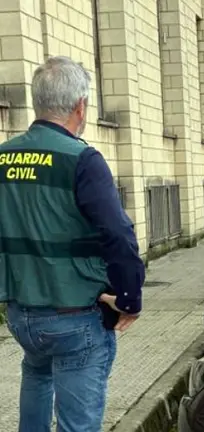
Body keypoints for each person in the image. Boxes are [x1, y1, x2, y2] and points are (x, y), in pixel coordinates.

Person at [0, 56, 146, 432]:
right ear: (80, 106)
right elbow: (118, 233)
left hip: (21, 316)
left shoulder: (3, 158)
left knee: (37, 371)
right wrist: (130, 298)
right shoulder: (82, 159)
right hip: (74, 318)